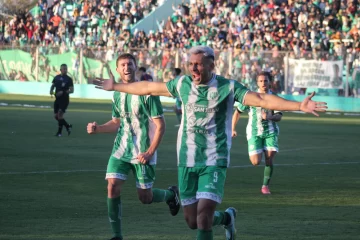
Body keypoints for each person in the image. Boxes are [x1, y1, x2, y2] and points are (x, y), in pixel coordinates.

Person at [93, 46, 327, 240]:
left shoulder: (228, 87)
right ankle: (227, 218)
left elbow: (262, 99)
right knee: (193, 221)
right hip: (187, 160)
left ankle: (219, 219)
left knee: (203, 216)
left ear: (211, 65)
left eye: (199, 64)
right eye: (191, 64)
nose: (194, 68)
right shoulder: (183, 84)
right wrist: (115, 87)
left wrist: (299, 105)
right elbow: (147, 87)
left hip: (215, 160)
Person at [87, 53, 180, 240]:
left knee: (145, 197)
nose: (127, 67)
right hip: (121, 149)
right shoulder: (117, 94)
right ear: (117, 69)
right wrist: (98, 129)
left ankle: (171, 195)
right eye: (122, 65)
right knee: (112, 187)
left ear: (136, 66)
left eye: (130, 64)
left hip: (143, 151)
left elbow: (161, 126)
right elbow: (116, 122)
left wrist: (150, 151)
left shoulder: (148, 93)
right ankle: (117, 235)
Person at [231, 72, 283, 195]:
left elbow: (279, 117)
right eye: (260, 81)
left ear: (270, 82)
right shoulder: (251, 96)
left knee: (269, 159)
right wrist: (233, 128)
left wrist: (269, 117)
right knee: (255, 162)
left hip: (270, 131)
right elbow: (237, 112)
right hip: (254, 131)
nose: (263, 83)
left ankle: (265, 186)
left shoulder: (275, 97)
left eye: (265, 81)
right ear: (257, 82)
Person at [49, 64, 73, 137]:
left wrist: (63, 92)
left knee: (59, 114)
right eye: (64, 69)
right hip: (57, 99)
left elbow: (72, 90)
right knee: (56, 116)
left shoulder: (69, 79)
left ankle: (59, 133)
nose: (65, 70)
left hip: (64, 100)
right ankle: (67, 126)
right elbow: (52, 86)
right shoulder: (56, 78)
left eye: (66, 69)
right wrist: (51, 91)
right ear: (60, 70)